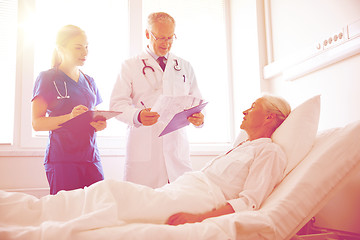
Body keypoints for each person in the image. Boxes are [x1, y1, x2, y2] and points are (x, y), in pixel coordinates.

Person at [1, 94, 291, 232]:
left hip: (199, 199)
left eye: (252, 107)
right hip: (185, 187)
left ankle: (40, 227)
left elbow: (250, 202)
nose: (244, 110)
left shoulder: (269, 152)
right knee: (109, 192)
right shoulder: (242, 145)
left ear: (269, 118)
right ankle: (31, 213)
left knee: (113, 193)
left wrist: (199, 218)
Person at [110, 12, 205, 188]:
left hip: (176, 148)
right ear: (147, 34)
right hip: (145, 148)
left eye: (170, 37)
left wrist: (199, 117)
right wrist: (137, 115)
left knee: (179, 202)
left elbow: (197, 101)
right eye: (160, 38)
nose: (166, 43)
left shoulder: (184, 66)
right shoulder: (130, 66)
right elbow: (116, 105)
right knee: (142, 206)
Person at [31, 25, 107, 195]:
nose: (85, 52)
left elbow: (91, 117)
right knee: (66, 213)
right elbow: (37, 123)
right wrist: (70, 117)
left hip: (91, 158)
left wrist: (98, 124)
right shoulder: (47, 78)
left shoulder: (90, 81)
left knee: (98, 208)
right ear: (60, 48)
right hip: (62, 160)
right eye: (78, 47)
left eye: (86, 47)